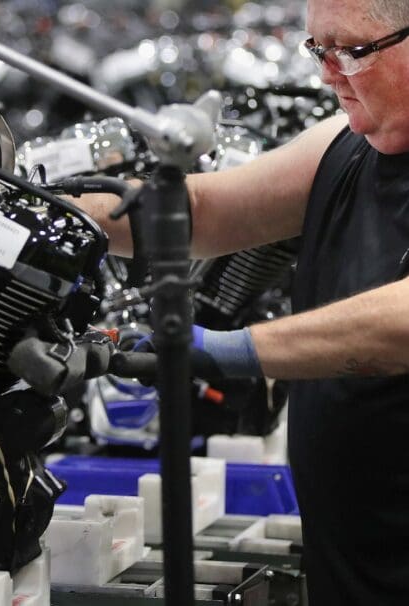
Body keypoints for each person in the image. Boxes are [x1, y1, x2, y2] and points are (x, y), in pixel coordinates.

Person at [71, 0, 409, 603]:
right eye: (318, 49)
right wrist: (52, 214)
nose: (328, 72)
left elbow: (399, 324)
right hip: (355, 563)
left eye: (352, 51)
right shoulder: (342, 146)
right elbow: (197, 211)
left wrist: (225, 349)